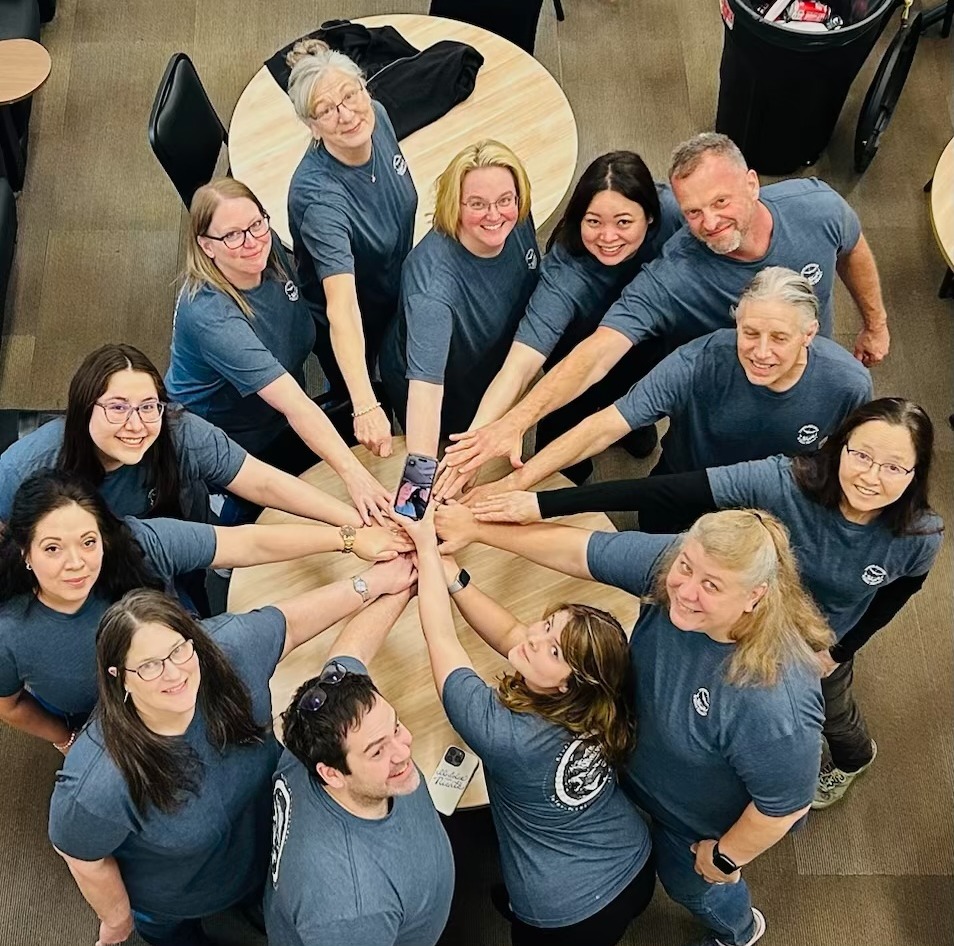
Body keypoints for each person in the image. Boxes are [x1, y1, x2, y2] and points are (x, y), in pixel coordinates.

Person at [474, 398, 944, 808]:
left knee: (832, 713)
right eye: (861, 454)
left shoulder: (918, 534)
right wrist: (539, 505)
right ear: (839, 445)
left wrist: (839, 650)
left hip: (814, 646)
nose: (870, 476)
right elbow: (661, 489)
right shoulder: (783, 481)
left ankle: (855, 758)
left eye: (893, 467)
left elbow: (902, 590)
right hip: (736, 618)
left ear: (914, 473)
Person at [434, 503, 832, 946]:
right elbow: (583, 551)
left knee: (694, 888)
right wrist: (476, 529)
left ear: (755, 595)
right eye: (686, 566)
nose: (684, 590)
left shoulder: (776, 698)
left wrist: (723, 858)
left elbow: (784, 806)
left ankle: (738, 932)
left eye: (711, 586)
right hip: (629, 777)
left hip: (697, 825)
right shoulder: (684, 567)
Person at [442, 132, 891, 484]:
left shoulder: (817, 207)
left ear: (752, 183)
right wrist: (513, 422)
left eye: (721, 202)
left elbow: (851, 245)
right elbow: (591, 353)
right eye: (695, 212)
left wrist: (876, 323)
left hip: (798, 387)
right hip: (708, 390)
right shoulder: (672, 274)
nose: (709, 222)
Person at [48, 561, 416, 946]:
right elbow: (80, 853)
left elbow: (289, 623)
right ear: (118, 676)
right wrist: (116, 920)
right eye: (149, 666)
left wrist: (373, 582)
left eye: (177, 651)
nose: (174, 674)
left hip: (260, 844)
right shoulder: (98, 779)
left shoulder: (224, 652)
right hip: (178, 896)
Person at [0, 470, 410, 752]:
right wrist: (65, 740)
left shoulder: (138, 545)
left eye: (88, 542)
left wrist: (349, 539)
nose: (76, 563)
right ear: (26, 553)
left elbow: (246, 544)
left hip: (194, 683)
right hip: (109, 726)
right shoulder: (8, 632)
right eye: (53, 548)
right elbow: (11, 705)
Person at [403, 507, 654, 946]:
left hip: (565, 917)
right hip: (634, 860)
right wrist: (454, 576)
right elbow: (514, 634)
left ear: (565, 684)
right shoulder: (605, 694)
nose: (536, 639)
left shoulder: (506, 736)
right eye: (548, 625)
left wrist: (425, 549)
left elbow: (441, 637)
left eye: (555, 651)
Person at [465, 266, 872, 512]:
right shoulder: (698, 362)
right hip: (682, 488)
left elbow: (847, 461)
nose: (760, 352)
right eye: (749, 332)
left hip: (769, 510)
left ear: (810, 334)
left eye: (779, 338)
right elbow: (607, 425)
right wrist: (517, 482)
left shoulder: (848, 384)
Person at [437, 150, 682, 493]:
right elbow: (520, 366)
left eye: (623, 222)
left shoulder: (676, 213)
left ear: (650, 217)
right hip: (578, 351)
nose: (608, 237)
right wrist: (478, 442)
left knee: (637, 401)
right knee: (565, 433)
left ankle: (634, 425)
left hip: (649, 342)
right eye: (593, 221)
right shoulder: (565, 271)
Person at [165, 178, 391, 520]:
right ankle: (222, 512)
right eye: (232, 235)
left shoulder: (269, 257)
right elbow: (295, 405)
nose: (252, 242)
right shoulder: (210, 316)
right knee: (263, 515)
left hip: (276, 415)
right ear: (206, 245)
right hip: (232, 441)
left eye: (256, 224)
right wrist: (354, 475)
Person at [0, 343, 374, 527]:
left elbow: (263, 483)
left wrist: (354, 521)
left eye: (148, 406)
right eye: (117, 407)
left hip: (181, 539)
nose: (136, 424)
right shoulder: (23, 470)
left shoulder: (180, 433)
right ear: (84, 408)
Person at [265, 605, 455, 946]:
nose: (403, 750)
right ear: (333, 774)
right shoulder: (349, 909)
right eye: (378, 750)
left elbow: (350, 651)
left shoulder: (313, 737)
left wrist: (409, 577)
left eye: (396, 726)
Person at [286, 38, 419, 459]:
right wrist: (365, 404)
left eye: (350, 94)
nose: (346, 114)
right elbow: (341, 306)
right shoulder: (321, 200)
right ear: (311, 126)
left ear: (366, 89)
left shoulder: (376, 117)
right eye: (326, 110)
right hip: (354, 317)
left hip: (394, 288)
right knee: (359, 399)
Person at [379, 140, 540, 459]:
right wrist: (417, 493)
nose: (495, 215)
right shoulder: (433, 289)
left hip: (492, 363)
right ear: (455, 204)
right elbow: (425, 395)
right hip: (445, 387)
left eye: (504, 199)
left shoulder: (516, 218)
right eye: (477, 204)